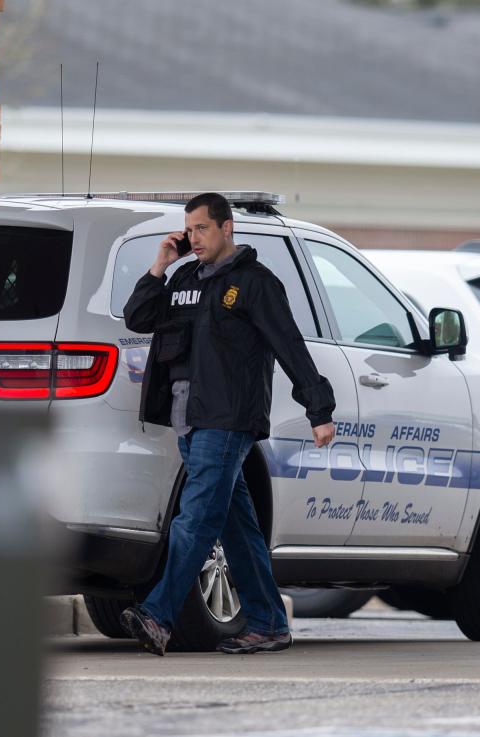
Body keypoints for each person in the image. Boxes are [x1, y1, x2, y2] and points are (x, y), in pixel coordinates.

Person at [122, 192, 336, 656]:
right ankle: (268, 623)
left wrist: (319, 410)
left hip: (228, 418)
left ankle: (158, 616)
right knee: (236, 526)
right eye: (189, 229)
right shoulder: (183, 277)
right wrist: (159, 265)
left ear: (226, 227)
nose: (193, 237)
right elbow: (139, 317)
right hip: (187, 420)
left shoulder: (256, 283)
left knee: (195, 519)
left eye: (202, 228)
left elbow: (290, 345)